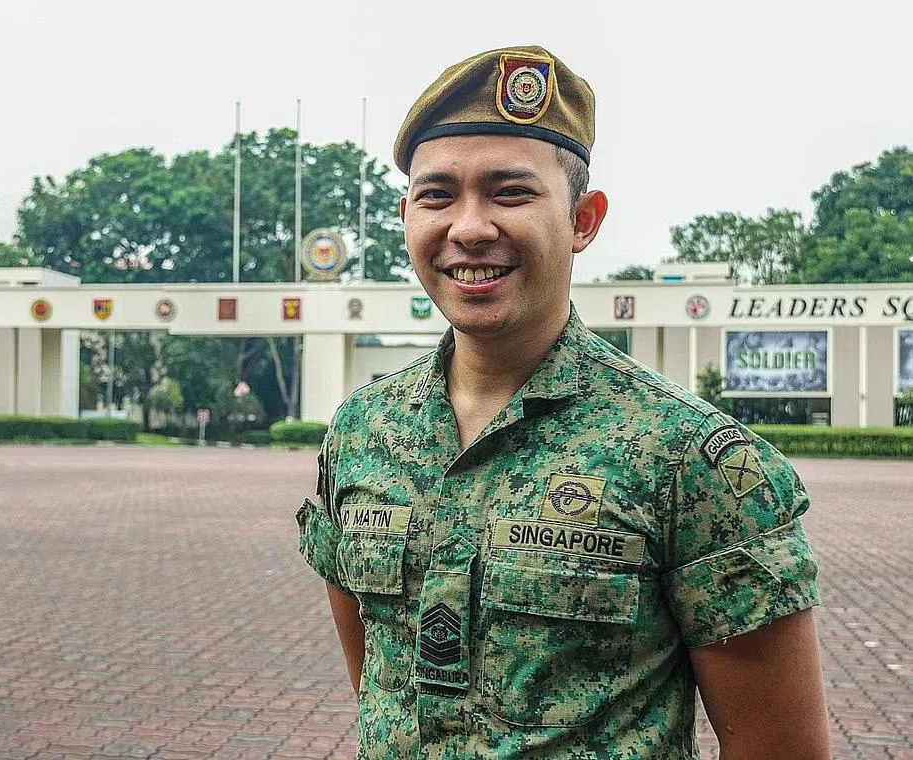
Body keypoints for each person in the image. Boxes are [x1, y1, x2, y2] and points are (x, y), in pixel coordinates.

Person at [296, 45, 830, 758]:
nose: (468, 228)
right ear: (406, 217)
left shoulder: (686, 456)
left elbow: (780, 746)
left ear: (584, 219)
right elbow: (379, 687)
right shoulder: (365, 431)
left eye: (510, 193)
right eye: (437, 196)